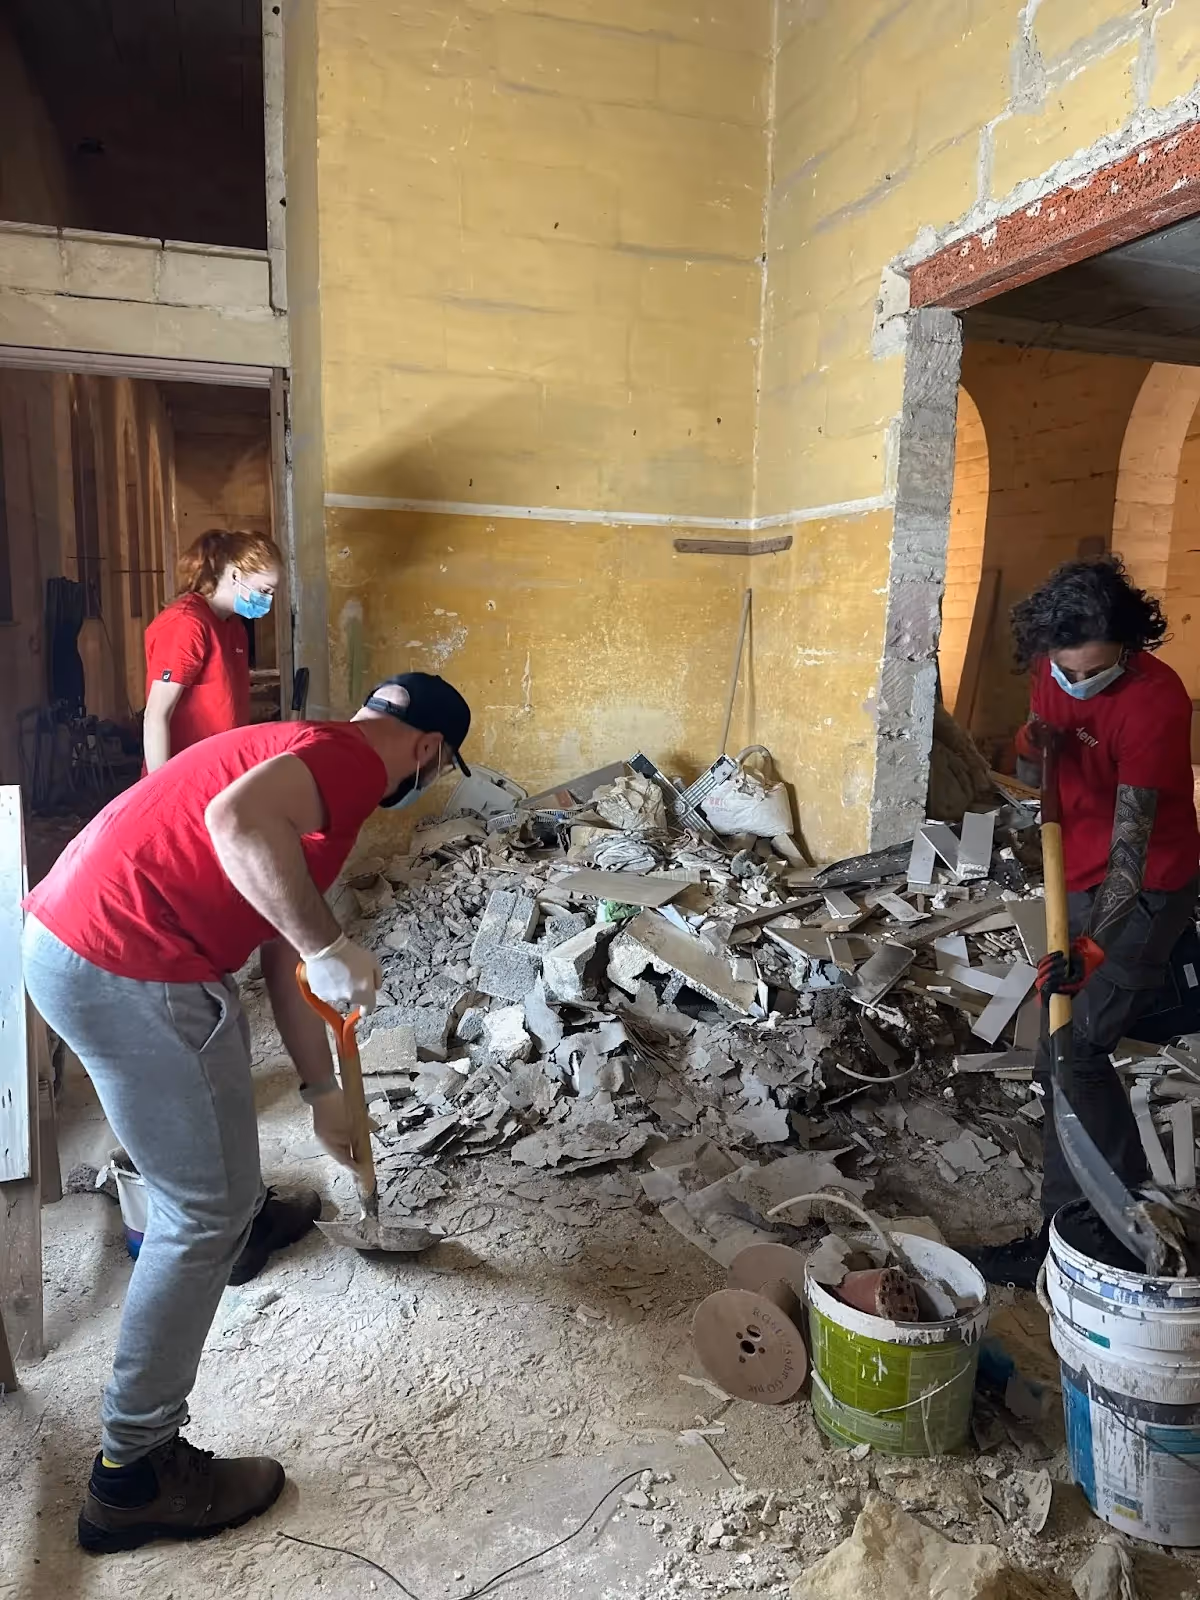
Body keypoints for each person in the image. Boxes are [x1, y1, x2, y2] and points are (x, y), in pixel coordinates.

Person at [21, 672, 471, 1553]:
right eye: (443, 769)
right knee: (200, 1213)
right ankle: (136, 1472)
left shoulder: (300, 752)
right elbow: (238, 835)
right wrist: (330, 943)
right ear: (425, 750)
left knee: (216, 1142)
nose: (433, 782)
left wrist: (322, 1092)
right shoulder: (346, 765)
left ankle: (246, 1212)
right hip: (128, 962)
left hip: (86, 940)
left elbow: (276, 943)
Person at [972, 557, 1199, 1289]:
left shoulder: (1156, 704)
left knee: (1075, 1053)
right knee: (1063, 1055)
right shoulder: (1054, 666)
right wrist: (1037, 749)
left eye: (1093, 672)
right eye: (1065, 671)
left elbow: (1133, 849)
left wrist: (1093, 945)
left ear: (1128, 648)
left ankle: (1105, 1231)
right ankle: (1088, 1221)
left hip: (1148, 885)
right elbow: (1045, 749)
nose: (1076, 683)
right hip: (1079, 870)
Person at [142, 529, 283, 771]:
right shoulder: (186, 623)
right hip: (186, 774)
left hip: (220, 771)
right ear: (236, 575)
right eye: (264, 590)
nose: (268, 600)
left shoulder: (234, 626)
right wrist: (162, 790)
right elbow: (155, 716)